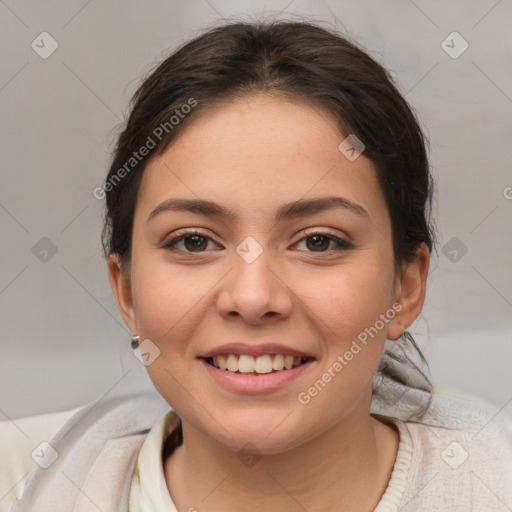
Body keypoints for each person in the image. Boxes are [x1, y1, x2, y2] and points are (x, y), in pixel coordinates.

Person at [2, 18, 511, 512]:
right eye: (195, 241)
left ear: (405, 287)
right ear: (127, 291)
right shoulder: (22, 483)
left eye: (317, 242)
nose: (252, 298)